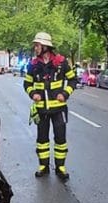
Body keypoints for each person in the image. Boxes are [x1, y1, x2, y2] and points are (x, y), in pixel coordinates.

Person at [23, 32, 77, 181]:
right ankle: (43, 166)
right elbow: (27, 83)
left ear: (45, 46)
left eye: (37, 45)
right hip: (41, 110)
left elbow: (73, 81)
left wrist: (65, 94)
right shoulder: (33, 65)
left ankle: (60, 167)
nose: (35, 48)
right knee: (42, 140)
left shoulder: (61, 62)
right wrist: (33, 93)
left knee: (60, 139)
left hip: (58, 110)